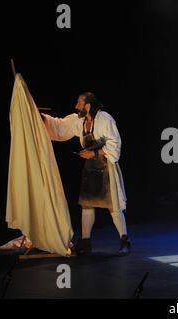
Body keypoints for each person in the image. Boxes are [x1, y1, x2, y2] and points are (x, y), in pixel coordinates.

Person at [42, 92, 130, 255]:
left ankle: (125, 241)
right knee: (87, 204)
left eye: (79, 103)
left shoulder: (105, 119)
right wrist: (39, 117)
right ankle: (86, 242)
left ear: (88, 105)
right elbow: (59, 126)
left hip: (106, 167)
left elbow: (115, 144)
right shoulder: (80, 121)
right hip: (90, 169)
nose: (76, 106)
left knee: (113, 206)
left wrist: (95, 153)